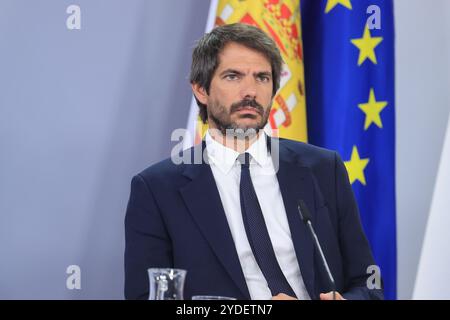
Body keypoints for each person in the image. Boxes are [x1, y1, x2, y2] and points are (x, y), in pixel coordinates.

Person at [124, 23, 383, 300]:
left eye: (261, 77)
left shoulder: (323, 168)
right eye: (233, 76)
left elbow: (368, 284)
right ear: (201, 89)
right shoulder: (156, 189)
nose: (250, 91)